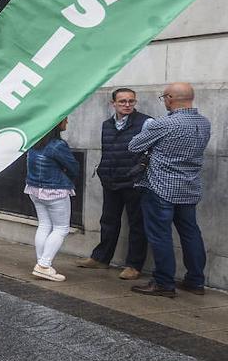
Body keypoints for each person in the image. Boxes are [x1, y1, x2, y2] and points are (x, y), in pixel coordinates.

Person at [128, 82, 211, 297]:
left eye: (164, 98)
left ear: (170, 98)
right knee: (191, 233)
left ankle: (164, 282)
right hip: (189, 187)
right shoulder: (204, 123)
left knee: (160, 235)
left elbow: (134, 146)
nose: (164, 101)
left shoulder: (164, 124)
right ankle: (195, 281)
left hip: (160, 187)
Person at [77, 88, 150, 279]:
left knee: (137, 224)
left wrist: (140, 170)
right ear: (113, 103)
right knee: (108, 220)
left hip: (134, 181)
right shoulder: (107, 125)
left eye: (131, 101)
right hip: (111, 180)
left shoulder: (145, 122)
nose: (127, 105)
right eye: (122, 102)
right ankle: (101, 258)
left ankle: (134, 265)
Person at [25, 119, 79, 282]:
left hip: (34, 189)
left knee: (44, 225)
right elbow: (74, 167)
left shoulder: (34, 141)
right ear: (56, 123)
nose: (68, 122)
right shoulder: (57, 145)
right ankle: (43, 265)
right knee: (61, 228)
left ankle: (42, 264)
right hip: (55, 190)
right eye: (65, 120)